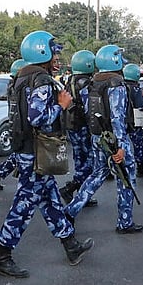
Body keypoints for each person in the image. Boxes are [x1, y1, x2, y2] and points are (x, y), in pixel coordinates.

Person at [0, 30, 93, 278]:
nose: (57, 56)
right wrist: (61, 105)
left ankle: (71, 246)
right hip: (35, 152)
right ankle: (1, 256)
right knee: (24, 205)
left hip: (27, 150)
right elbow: (37, 118)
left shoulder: (21, 78)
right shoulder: (42, 80)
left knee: (50, 200)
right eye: (54, 51)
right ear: (42, 52)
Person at [65, 44, 142, 234]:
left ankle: (71, 210)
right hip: (114, 140)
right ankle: (125, 222)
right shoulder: (116, 84)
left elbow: (87, 112)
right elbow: (117, 118)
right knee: (126, 178)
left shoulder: (92, 84)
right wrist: (121, 146)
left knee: (97, 174)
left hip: (98, 138)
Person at [58, 50, 97, 204]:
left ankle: (82, 195)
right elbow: (89, 108)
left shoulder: (70, 80)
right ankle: (71, 187)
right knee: (90, 161)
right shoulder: (85, 83)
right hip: (82, 126)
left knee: (80, 159)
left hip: (71, 125)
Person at [0, 59, 26, 190]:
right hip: (20, 125)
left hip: (15, 124)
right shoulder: (20, 87)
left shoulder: (12, 85)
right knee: (24, 154)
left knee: (19, 154)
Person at [124, 63, 143, 179]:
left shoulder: (119, 86)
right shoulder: (135, 88)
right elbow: (141, 105)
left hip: (121, 121)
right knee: (138, 145)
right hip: (134, 122)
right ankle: (140, 169)